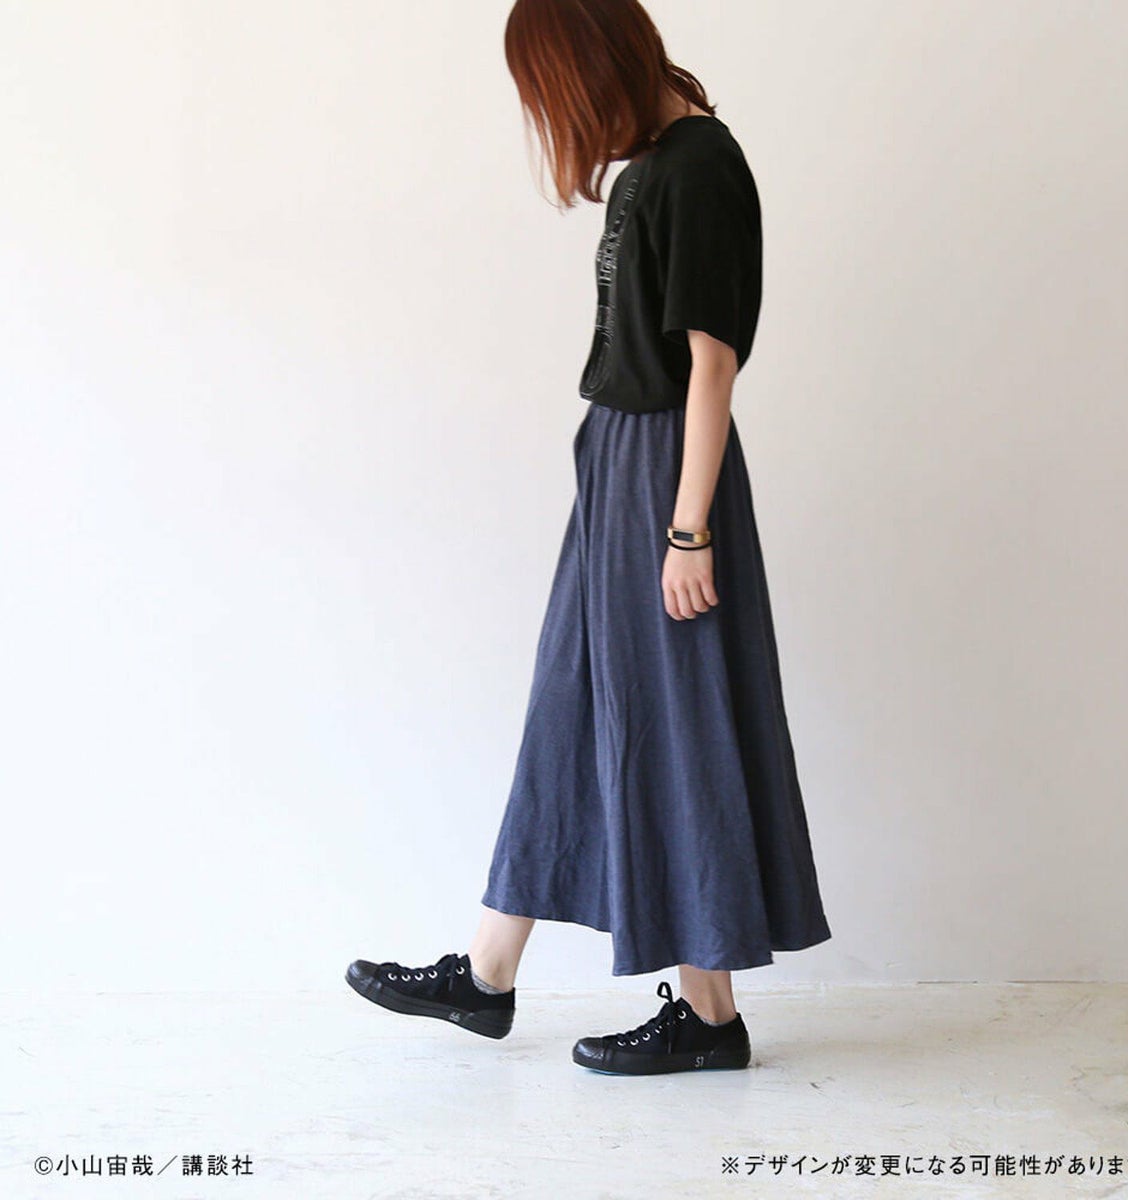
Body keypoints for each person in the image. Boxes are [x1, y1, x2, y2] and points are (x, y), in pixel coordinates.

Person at [346, 0, 832, 1076]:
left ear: (593, 66)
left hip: (664, 470)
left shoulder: (699, 167)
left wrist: (688, 529)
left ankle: (710, 1018)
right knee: (568, 703)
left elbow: (712, 365)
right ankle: (486, 976)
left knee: (672, 721)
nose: (552, 116)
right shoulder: (652, 166)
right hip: (618, 459)